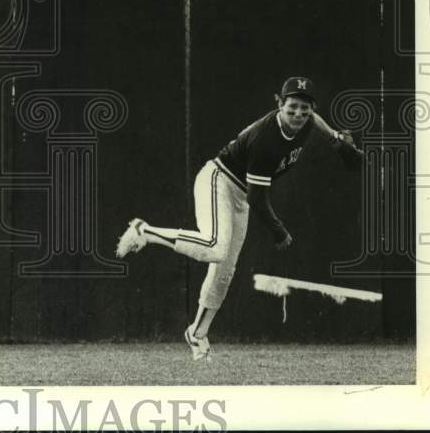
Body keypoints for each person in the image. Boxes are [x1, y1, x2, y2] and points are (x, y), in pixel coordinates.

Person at [115, 76, 364, 361]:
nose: (299, 113)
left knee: (225, 271)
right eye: (292, 106)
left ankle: (197, 334)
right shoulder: (265, 138)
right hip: (219, 180)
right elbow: (258, 199)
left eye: (304, 108)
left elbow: (315, 119)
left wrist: (334, 138)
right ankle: (145, 231)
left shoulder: (307, 120)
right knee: (214, 247)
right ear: (279, 104)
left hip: (241, 194)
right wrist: (278, 229)